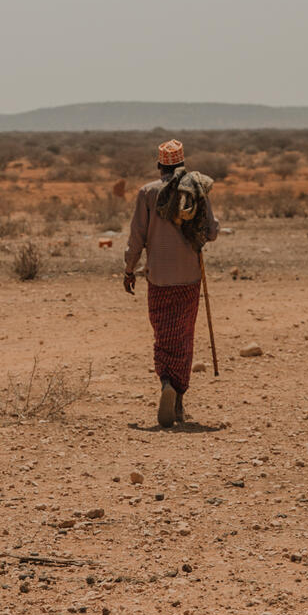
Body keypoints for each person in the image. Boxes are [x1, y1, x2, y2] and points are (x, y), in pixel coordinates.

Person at [123, 139, 218, 427]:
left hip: (158, 278)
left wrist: (129, 269)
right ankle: (177, 401)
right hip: (189, 277)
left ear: (159, 165)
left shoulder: (148, 193)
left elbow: (136, 237)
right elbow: (211, 232)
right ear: (182, 164)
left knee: (163, 335)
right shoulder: (196, 191)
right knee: (184, 336)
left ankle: (166, 380)